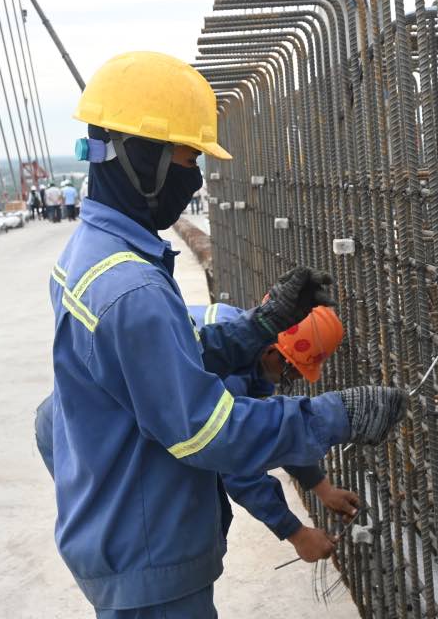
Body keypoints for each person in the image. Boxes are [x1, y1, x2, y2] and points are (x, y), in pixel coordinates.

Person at [49, 51, 406, 618]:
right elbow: (208, 432)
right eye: (190, 157)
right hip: (149, 548)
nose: (194, 177)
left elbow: (166, 364)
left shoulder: (93, 256)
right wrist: (333, 416)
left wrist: (261, 324)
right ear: (142, 154)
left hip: (123, 524)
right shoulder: (132, 291)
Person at [35, 302, 359, 562]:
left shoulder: (241, 335)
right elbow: (238, 467)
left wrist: (321, 488)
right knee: (141, 546)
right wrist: (296, 534)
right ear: (273, 351)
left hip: (86, 412)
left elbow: (268, 429)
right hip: (80, 432)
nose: (287, 380)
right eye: (290, 370)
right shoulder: (229, 377)